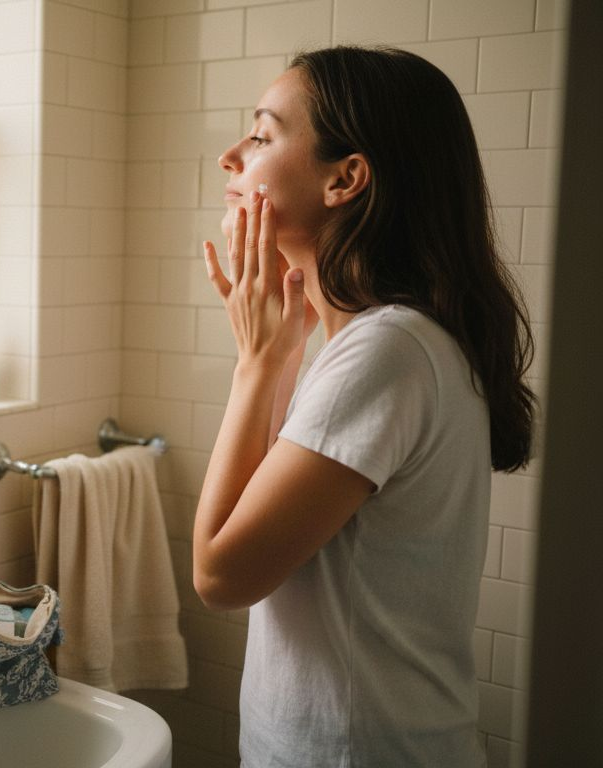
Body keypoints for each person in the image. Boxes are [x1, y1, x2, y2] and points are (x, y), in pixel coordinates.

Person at [192, 46, 535, 766]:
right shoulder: (375, 345)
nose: (231, 157)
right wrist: (279, 356)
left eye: (260, 135)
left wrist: (257, 364)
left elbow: (222, 575)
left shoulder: (389, 353)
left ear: (345, 179)